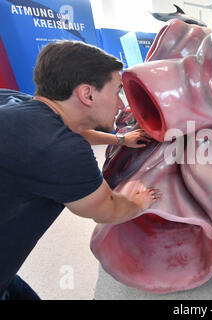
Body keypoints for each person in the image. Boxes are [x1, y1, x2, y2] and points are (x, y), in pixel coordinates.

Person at [0, 40, 162, 300]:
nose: (121, 104)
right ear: (87, 94)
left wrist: (120, 139)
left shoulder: (16, 103)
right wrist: (138, 202)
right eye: (117, 91)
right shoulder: (64, 152)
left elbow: (64, 132)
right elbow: (109, 209)